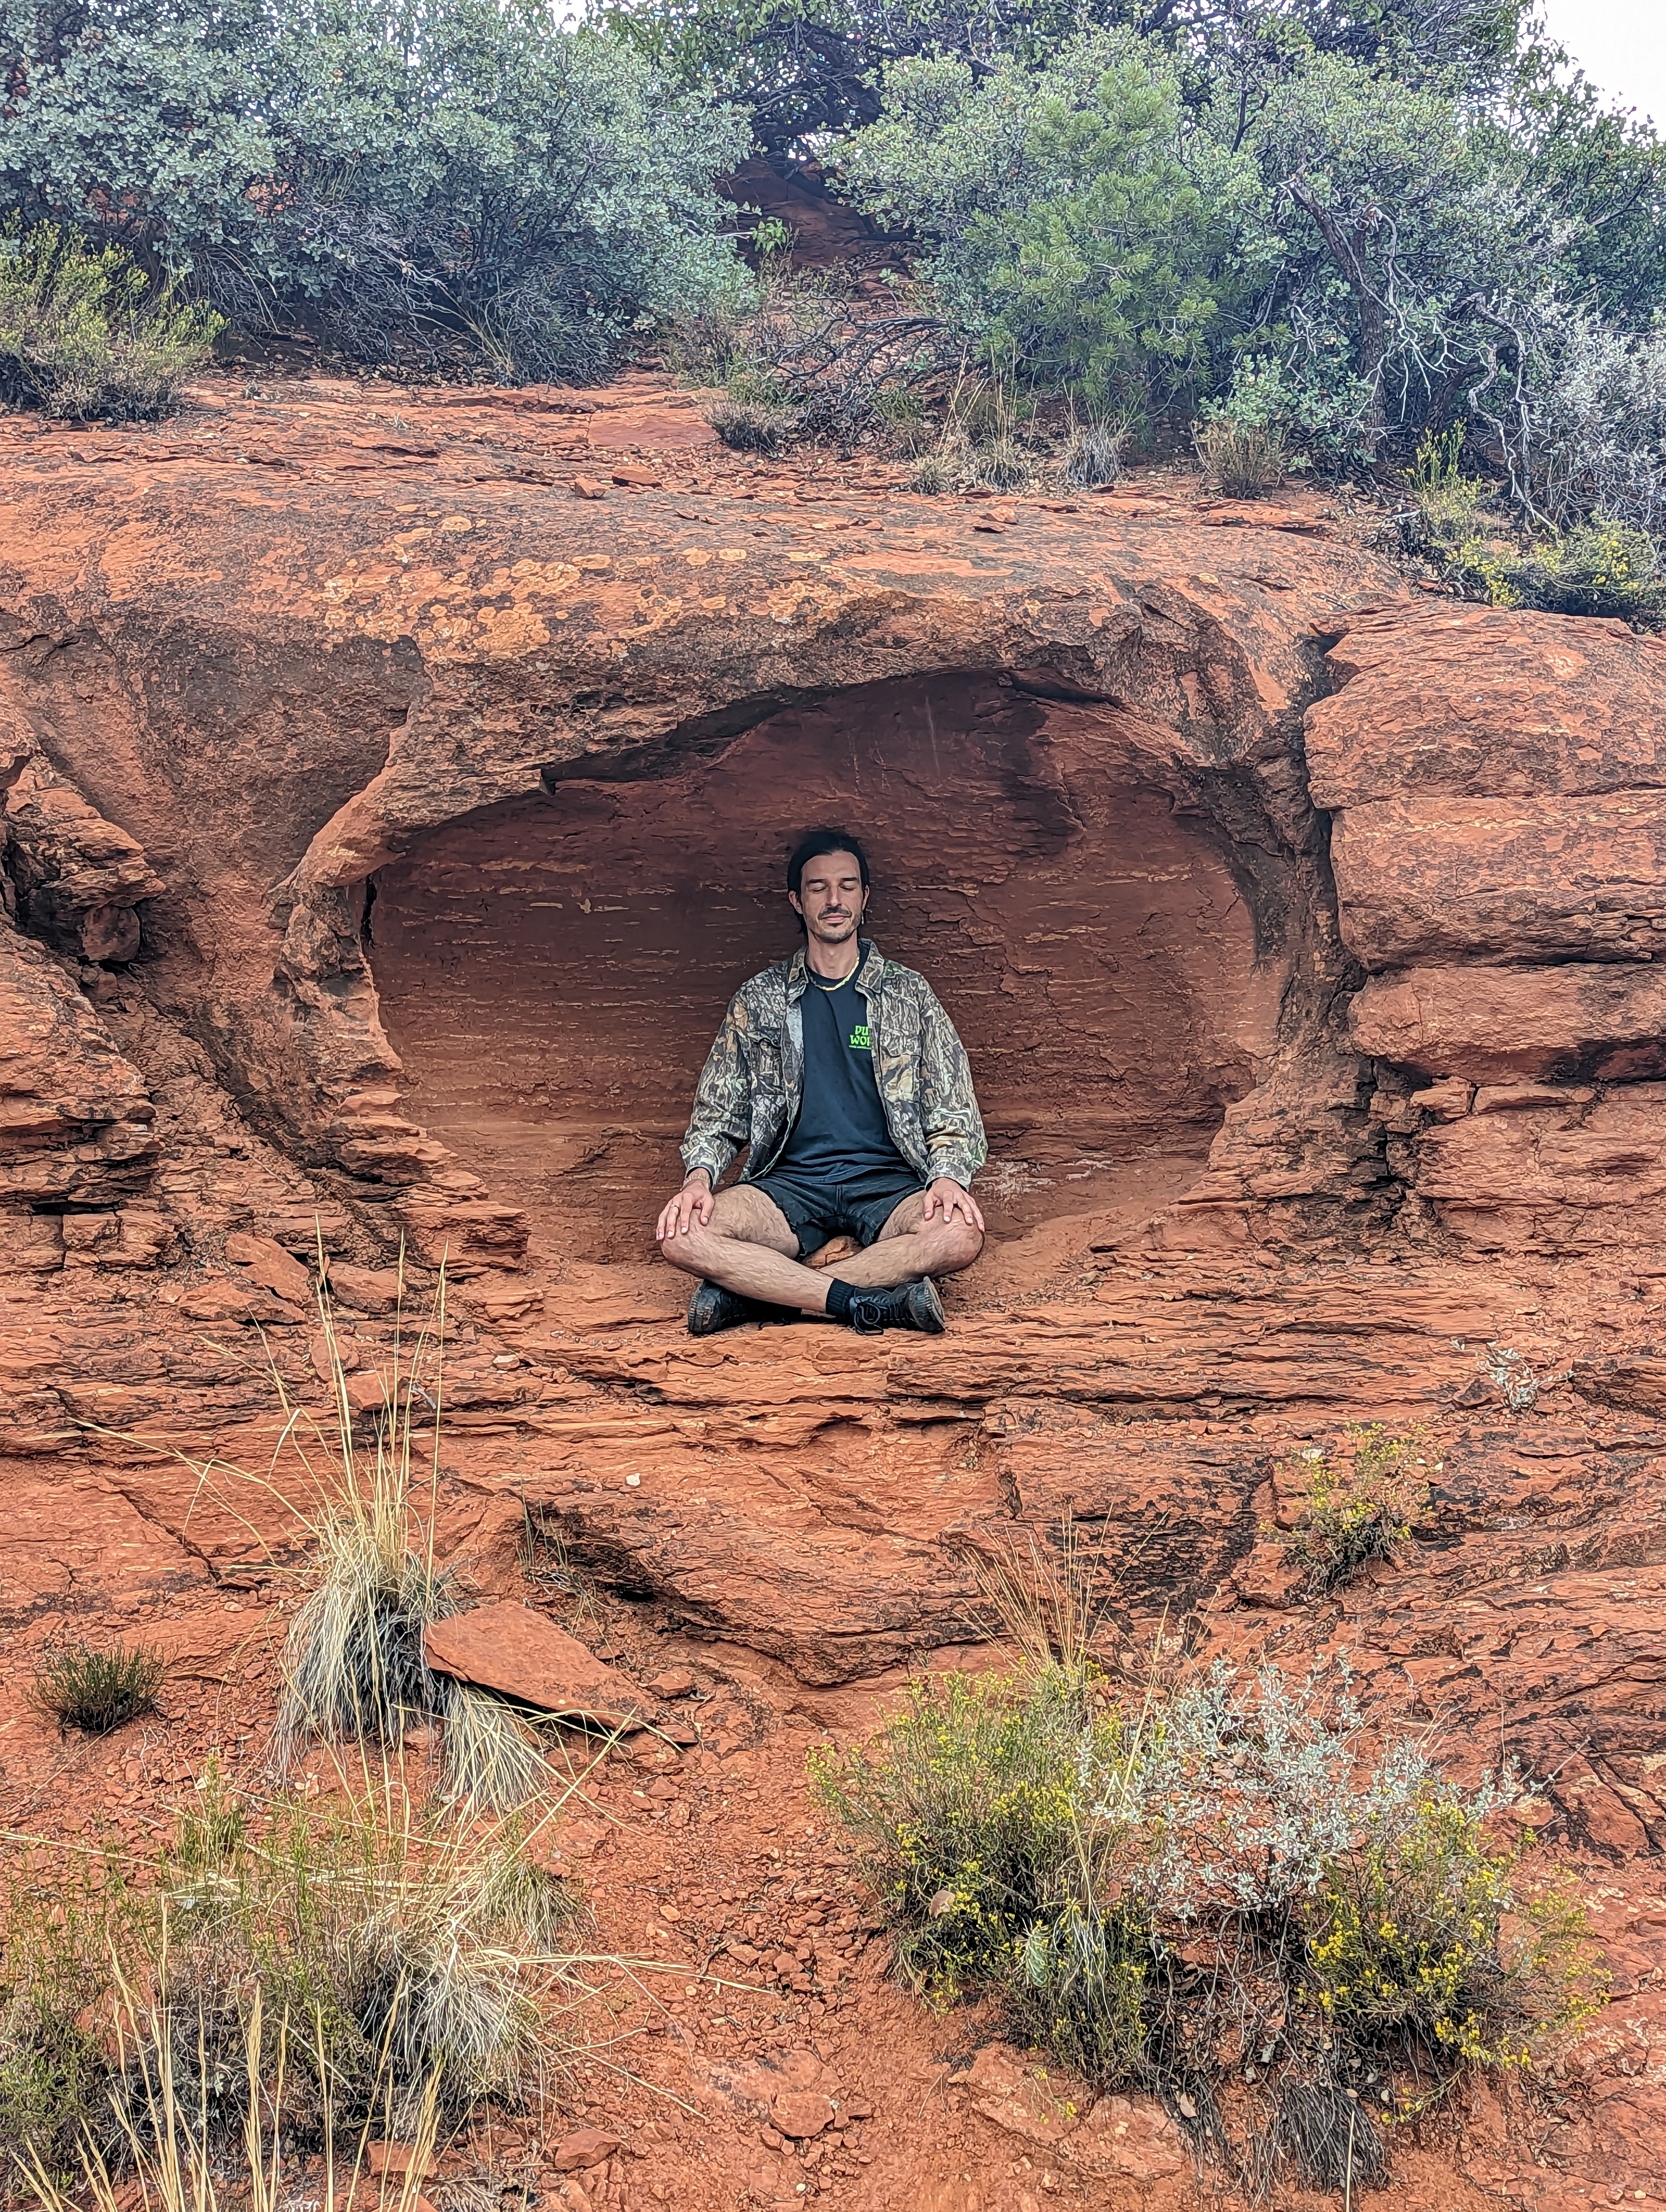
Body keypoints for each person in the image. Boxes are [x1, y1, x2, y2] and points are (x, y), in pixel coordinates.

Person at [656, 828, 987, 1335]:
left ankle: (763, 1298)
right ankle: (865, 1302)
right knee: (683, 1236)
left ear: (865, 896)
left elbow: (954, 1107)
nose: (834, 900)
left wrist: (947, 1176)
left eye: (847, 886)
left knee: (958, 1235)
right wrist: (698, 1179)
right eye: (818, 888)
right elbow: (719, 1111)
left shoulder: (909, 994)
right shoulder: (759, 999)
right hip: (791, 1187)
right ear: (797, 900)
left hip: (889, 1185)